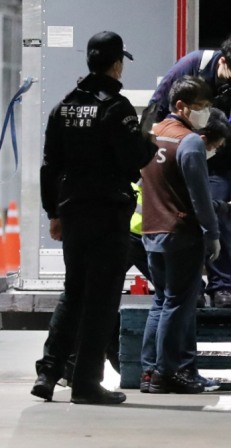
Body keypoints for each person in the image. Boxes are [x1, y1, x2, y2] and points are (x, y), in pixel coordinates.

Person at [32, 31, 157, 405]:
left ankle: (48, 372)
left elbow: (49, 167)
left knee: (73, 293)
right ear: (117, 64)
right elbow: (134, 158)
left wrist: (53, 212)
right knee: (101, 301)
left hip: (72, 213)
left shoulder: (64, 106)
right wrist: (147, 140)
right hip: (107, 215)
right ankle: (86, 383)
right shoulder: (116, 109)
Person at [140, 77, 231, 394]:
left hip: (152, 230)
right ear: (181, 106)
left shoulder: (154, 133)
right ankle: (169, 372)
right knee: (179, 304)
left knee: (162, 302)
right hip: (180, 233)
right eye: (201, 108)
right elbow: (200, 198)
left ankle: (150, 372)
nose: (205, 113)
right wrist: (213, 234)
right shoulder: (189, 142)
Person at [146, 33, 231, 309]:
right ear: (223, 61)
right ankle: (192, 286)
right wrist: (149, 156)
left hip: (216, 162)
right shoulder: (192, 66)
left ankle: (221, 286)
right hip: (179, 156)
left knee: (220, 219)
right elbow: (157, 107)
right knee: (184, 220)